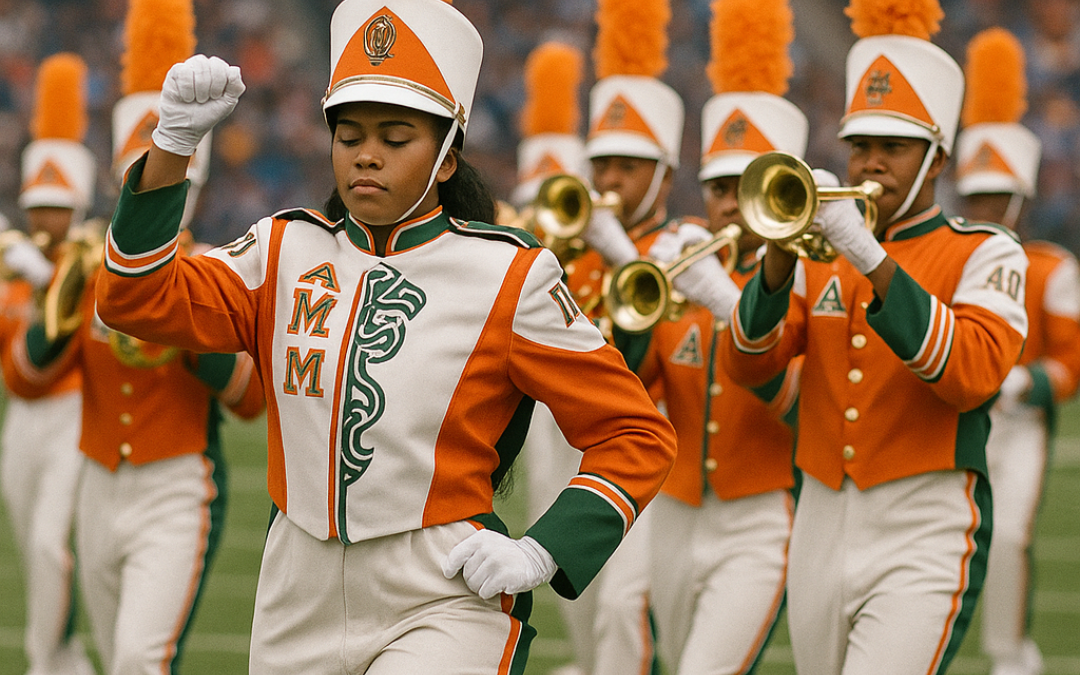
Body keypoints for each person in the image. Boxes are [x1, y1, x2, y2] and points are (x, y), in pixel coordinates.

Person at [95, 0, 678, 672]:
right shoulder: (282, 248)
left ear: (447, 159)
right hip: (295, 582)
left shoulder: (508, 273)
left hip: (440, 583)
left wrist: (543, 547)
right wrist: (170, 149)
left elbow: (635, 433)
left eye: (396, 139)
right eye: (349, 137)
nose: (367, 156)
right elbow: (133, 299)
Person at [720, 0, 1030, 672]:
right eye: (861, 145)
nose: (871, 163)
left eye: (893, 147)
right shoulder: (822, 250)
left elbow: (972, 372)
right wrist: (777, 259)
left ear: (937, 158)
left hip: (926, 519)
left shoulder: (986, 251)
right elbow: (749, 364)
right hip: (821, 515)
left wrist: (868, 255)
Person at [5, 2, 266, 673]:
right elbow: (25, 379)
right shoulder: (88, 266)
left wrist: (176, 316)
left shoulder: (217, 266)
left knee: (136, 660)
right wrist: (55, 303)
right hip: (97, 479)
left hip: (177, 487)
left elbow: (248, 397)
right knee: (110, 651)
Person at [623, 0, 803, 671]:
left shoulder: (805, 281)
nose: (729, 202)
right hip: (672, 511)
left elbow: (799, 400)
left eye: (745, 185)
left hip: (758, 516)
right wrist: (635, 297)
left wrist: (728, 302)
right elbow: (634, 385)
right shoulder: (682, 272)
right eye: (718, 187)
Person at [954, 27, 1080, 675]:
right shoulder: (942, 260)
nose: (987, 210)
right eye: (976, 198)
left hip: (1018, 420)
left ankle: (1009, 654)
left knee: (1007, 540)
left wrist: (1017, 383)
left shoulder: (1049, 267)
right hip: (954, 418)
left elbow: (1070, 365)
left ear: (1023, 200)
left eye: (997, 198)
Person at [0, 52, 96, 675]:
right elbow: (13, 363)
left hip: (72, 414)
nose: (44, 219)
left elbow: (77, 339)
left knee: (49, 544)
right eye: (36, 206)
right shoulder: (13, 273)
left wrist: (51, 283)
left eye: (57, 207)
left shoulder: (87, 262)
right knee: (27, 546)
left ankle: (45, 661)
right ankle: (65, 659)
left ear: (78, 209)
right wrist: (27, 290)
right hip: (21, 420)